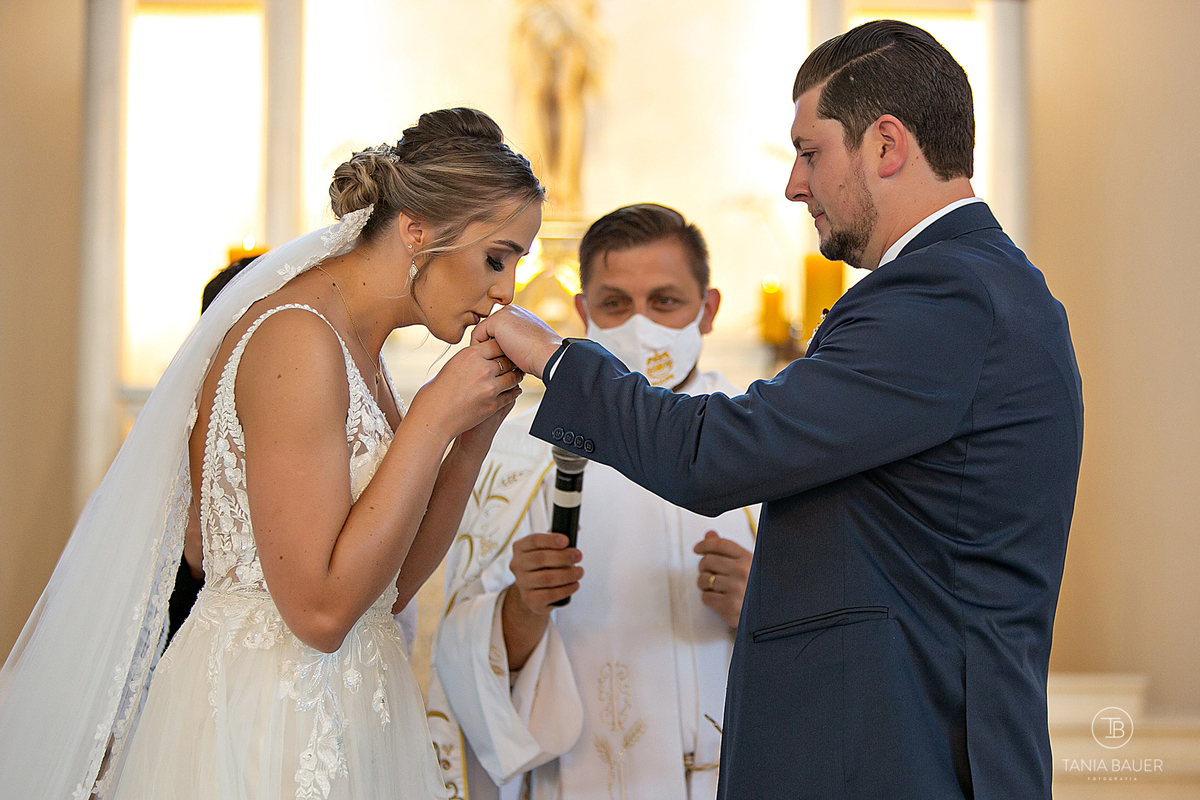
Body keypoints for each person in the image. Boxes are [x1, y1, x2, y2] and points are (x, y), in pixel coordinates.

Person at [474, 21, 1084, 800]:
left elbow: (714, 453)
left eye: (810, 152)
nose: (795, 186)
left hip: (904, 750)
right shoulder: (976, 285)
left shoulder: (944, 294)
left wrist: (552, 355)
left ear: (886, 144)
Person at [0, 107, 544, 800]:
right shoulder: (297, 338)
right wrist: (432, 420)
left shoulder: (361, 353)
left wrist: (470, 440)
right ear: (418, 231)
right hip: (268, 721)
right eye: (497, 257)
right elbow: (317, 614)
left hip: (357, 704)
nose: (506, 291)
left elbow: (388, 589)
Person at [427, 204, 756, 800]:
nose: (640, 324)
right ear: (582, 312)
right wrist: (522, 610)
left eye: (665, 301)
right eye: (615, 304)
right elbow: (459, 655)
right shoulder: (518, 458)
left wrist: (768, 605)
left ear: (707, 310)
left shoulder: (764, 444)